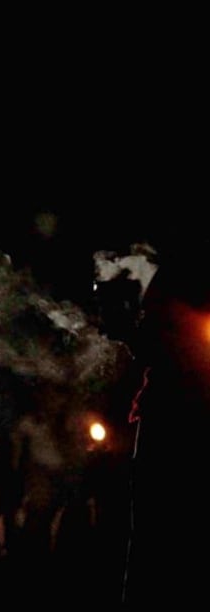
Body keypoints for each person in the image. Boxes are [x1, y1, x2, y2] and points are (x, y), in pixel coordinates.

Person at [123, 247, 210, 604]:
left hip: (186, 420)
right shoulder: (176, 278)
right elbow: (146, 339)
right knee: (156, 537)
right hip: (170, 420)